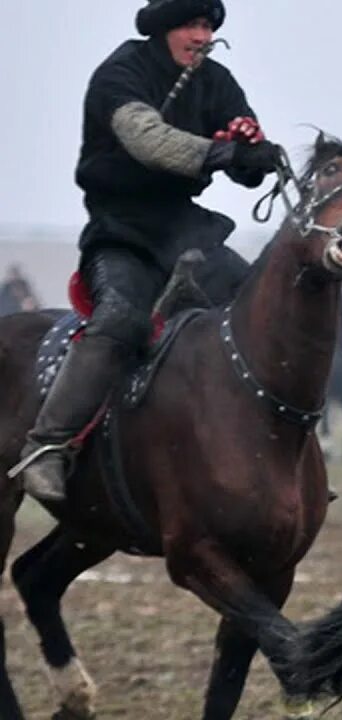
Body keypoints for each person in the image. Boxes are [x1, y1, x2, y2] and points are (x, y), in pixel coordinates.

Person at [10, 0, 281, 503]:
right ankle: (46, 446)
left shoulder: (216, 80)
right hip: (121, 234)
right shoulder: (120, 73)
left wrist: (253, 155)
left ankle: (276, 462)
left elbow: (243, 153)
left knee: (259, 315)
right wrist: (223, 152)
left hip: (189, 235)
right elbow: (149, 142)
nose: (201, 36)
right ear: (163, 29)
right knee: (121, 319)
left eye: (208, 26)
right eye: (191, 25)